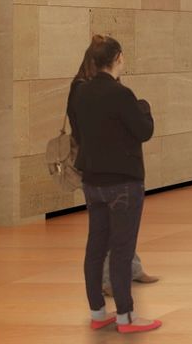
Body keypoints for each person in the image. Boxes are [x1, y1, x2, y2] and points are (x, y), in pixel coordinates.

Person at [68, 35, 162, 334]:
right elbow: (144, 130)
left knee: (95, 246)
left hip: (93, 181)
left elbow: (79, 134)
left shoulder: (80, 93)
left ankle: (98, 311)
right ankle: (126, 316)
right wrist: (144, 107)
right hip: (123, 181)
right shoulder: (121, 95)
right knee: (122, 249)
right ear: (118, 57)